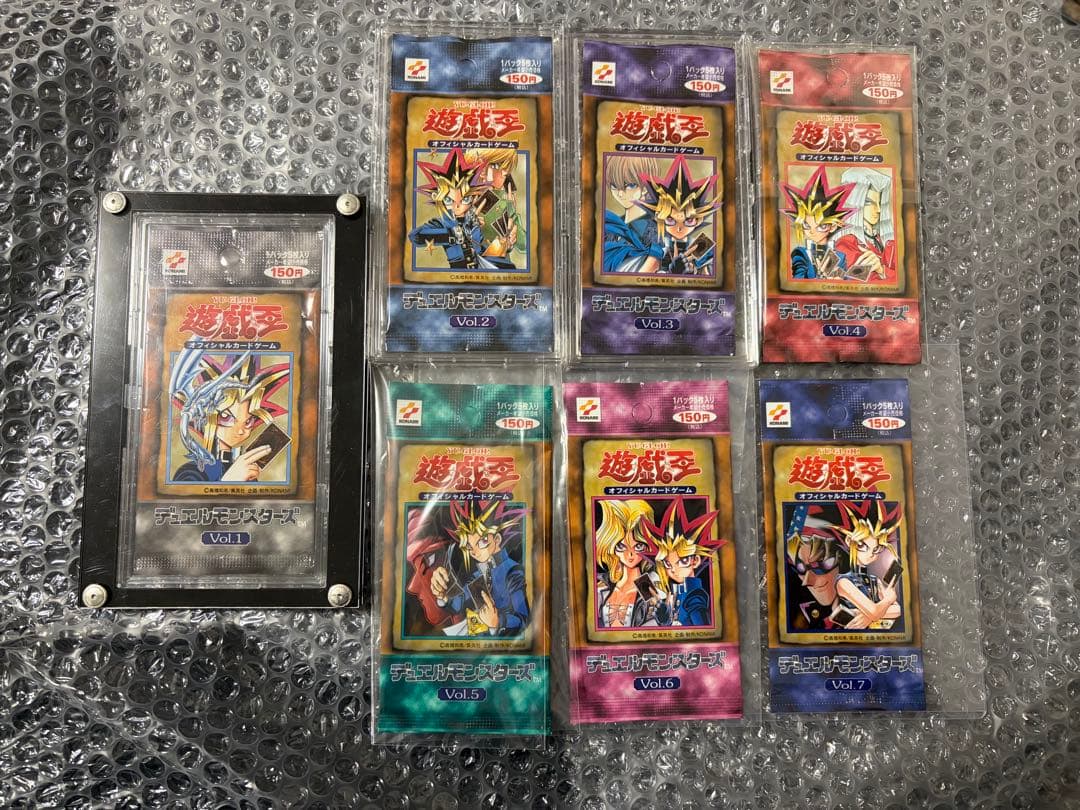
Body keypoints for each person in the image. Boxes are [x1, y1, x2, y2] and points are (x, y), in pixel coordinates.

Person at [169, 349, 289, 483]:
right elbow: (186, 495)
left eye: (248, 421)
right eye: (227, 417)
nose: (240, 430)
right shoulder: (191, 472)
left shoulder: (244, 468)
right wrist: (230, 479)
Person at [428, 500, 529, 637]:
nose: (474, 552)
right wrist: (442, 596)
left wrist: (498, 620)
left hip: (503, 642)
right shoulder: (479, 572)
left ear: (497, 539)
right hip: (475, 638)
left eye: (482, 542)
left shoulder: (512, 571)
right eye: (469, 546)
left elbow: (523, 620)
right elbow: (459, 603)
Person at [409, 148, 516, 271]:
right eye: (449, 200)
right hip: (459, 273)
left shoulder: (472, 222)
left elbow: (481, 250)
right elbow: (415, 236)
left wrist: (501, 247)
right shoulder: (442, 223)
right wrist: (451, 234)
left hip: (480, 269)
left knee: (509, 267)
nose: (457, 205)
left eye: (464, 199)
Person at [635, 156, 720, 276]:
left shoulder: (702, 246)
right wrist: (671, 273)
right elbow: (640, 278)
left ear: (699, 220)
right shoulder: (659, 247)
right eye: (670, 220)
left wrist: (693, 271)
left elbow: (707, 281)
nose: (679, 228)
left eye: (688, 221)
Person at [780, 166, 856, 279]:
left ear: (833, 226)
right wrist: (819, 279)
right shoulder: (801, 253)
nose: (812, 231)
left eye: (821, 226)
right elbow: (798, 280)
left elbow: (847, 280)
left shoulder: (840, 256)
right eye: (806, 225)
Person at [594, 499, 661, 628]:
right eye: (621, 546)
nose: (630, 554)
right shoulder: (603, 586)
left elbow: (653, 626)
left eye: (638, 546)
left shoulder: (646, 585)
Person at [601, 155, 661, 274]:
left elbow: (653, 265)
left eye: (630, 185)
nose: (620, 193)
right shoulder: (611, 225)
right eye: (614, 186)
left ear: (647, 186)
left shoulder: (654, 229)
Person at [834, 167, 896, 280]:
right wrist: (884, 272)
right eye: (869, 203)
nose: (878, 209)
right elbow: (861, 284)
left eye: (879, 202)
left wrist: (882, 270)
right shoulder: (846, 243)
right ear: (855, 202)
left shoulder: (885, 242)